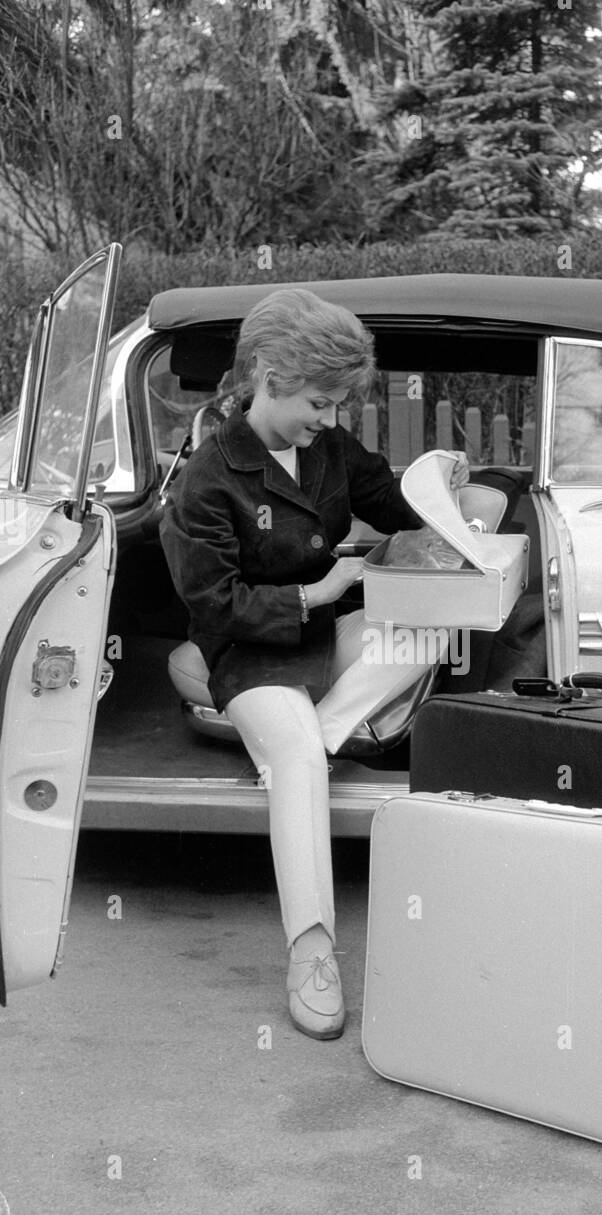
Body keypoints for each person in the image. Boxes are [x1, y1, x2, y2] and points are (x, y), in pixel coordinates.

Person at [159, 286, 469, 1040]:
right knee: (296, 757)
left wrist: (458, 496)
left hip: (326, 642)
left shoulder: (330, 451)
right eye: (319, 403)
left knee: (437, 625)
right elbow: (214, 607)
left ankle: (315, 736)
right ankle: (312, 951)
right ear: (268, 373)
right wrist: (315, 591)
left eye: (336, 407)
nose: (329, 422)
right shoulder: (206, 479)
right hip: (247, 654)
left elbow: (394, 503)